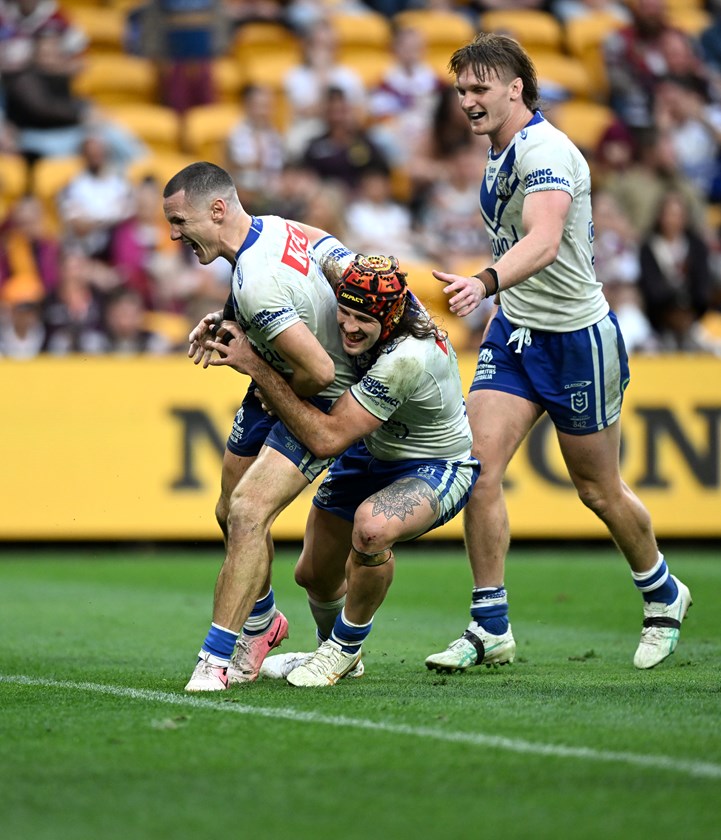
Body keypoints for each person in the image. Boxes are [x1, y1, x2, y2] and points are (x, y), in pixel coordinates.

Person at [424, 32, 692, 674]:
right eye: (461, 89)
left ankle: (662, 592)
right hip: (517, 334)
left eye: (479, 88)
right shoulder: (500, 150)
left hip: (577, 340)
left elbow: (544, 241)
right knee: (475, 471)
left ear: (516, 88)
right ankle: (490, 626)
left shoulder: (545, 150)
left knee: (598, 490)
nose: (467, 100)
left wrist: (483, 282)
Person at [206, 254, 480, 686]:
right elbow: (308, 241)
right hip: (369, 453)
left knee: (371, 529)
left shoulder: (406, 357)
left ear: (388, 318)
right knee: (312, 574)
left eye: (362, 320)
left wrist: (255, 366)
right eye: (345, 313)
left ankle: (344, 649)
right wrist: (240, 313)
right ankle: (329, 646)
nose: (349, 327)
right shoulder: (371, 297)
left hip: (435, 464)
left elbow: (328, 439)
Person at [162, 161, 359, 692]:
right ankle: (265, 621)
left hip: (314, 396)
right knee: (228, 509)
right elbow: (321, 242)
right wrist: (230, 319)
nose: (174, 234)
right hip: (275, 375)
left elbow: (317, 373)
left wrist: (252, 361)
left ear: (218, 209)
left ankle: (217, 658)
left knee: (249, 512)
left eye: (180, 221)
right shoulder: (268, 229)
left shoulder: (259, 282)